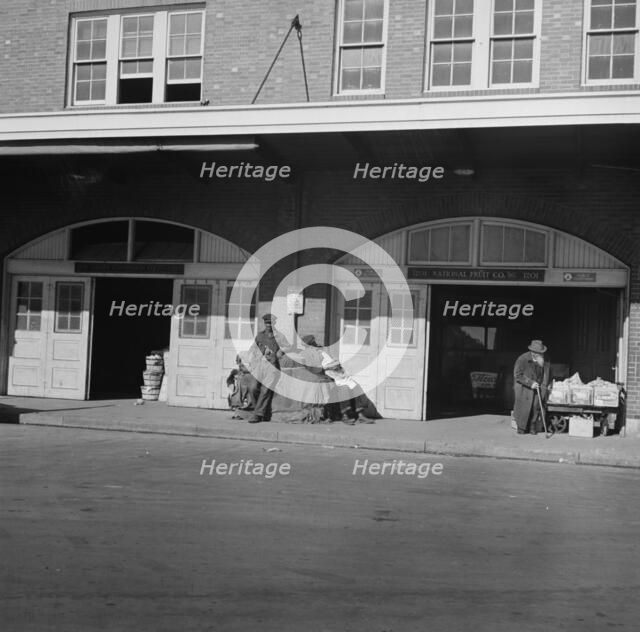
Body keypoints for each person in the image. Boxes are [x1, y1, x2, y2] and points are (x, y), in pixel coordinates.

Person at [300, 334, 374, 425]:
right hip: (327, 374)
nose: (315, 344)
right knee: (344, 389)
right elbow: (313, 368)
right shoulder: (307, 355)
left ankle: (361, 415)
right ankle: (345, 415)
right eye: (312, 343)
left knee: (355, 386)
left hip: (337, 372)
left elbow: (333, 359)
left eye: (314, 342)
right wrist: (327, 367)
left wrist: (336, 364)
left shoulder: (322, 350)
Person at [247, 313, 290, 424]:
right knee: (252, 388)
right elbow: (253, 348)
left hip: (272, 367)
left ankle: (257, 415)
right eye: (266, 323)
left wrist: (281, 351)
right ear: (264, 323)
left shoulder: (280, 336)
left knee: (265, 389)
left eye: (270, 323)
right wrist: (251, 359)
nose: (268, 325)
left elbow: (288, 347)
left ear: (274, 324)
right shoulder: (260, 336)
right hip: (259, 365)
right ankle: (261, 412)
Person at [513, 340, 550, 435]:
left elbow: (544, 375)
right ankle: (521, 427)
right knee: (524, 407)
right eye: (540, 353)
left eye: (542, 353)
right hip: (524, 388)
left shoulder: (542, 360)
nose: (542, 355)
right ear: (533, 353)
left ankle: (532, 427)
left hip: (537, 387)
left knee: (535, 406)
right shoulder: (522, 359)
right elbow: (517, 375)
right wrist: (530, 383)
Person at [226, 354, 258, 419]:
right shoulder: (242, 354)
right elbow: (240, 366)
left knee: (250, 386)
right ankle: (237, 406)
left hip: (252, 376)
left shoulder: (256, 354)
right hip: (243, 376)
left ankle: (249, 409)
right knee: (239, 385)